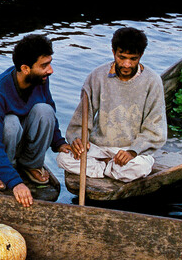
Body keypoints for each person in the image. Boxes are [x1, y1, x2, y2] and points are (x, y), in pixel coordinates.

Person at [0, 34, 73, 208]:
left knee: (45, 110)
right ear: (25, 68)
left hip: (16, 134)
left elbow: (49, 108)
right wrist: (15, 183)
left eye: (49, 63)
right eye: (44, 65)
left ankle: (30, 163)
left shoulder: (40, 79)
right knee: (11, 122)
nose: (50, 70)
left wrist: (59, 143)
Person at [56, 28, 166, 183]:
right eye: (122, 57)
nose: (126, 64)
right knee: (63, 158)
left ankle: (100, 169)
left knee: (140, 167)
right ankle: (108, 169)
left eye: (133, 59)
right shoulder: (96, 76)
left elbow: (155, 129)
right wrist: (79, 139)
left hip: (131, 150)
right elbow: (81, 120)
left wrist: (133, 151)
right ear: (114, 52)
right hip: (98, 148)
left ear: (141, 55)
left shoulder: (153, 81)